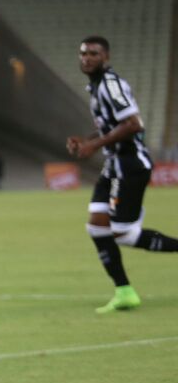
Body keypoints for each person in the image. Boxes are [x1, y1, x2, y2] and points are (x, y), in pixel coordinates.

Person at [65, 36, 178, 313]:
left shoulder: (111, 85)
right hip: (115, 163)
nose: (86, 58)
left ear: (106, 57)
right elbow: (111, 126)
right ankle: (124, 291)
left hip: (130, 164)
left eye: (93, 53)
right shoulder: (96, 86)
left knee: (124, 234)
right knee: (96, 226)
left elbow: (133, 124)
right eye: (83, 54)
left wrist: (94, 145)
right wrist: (88, 139)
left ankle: (126, 290)